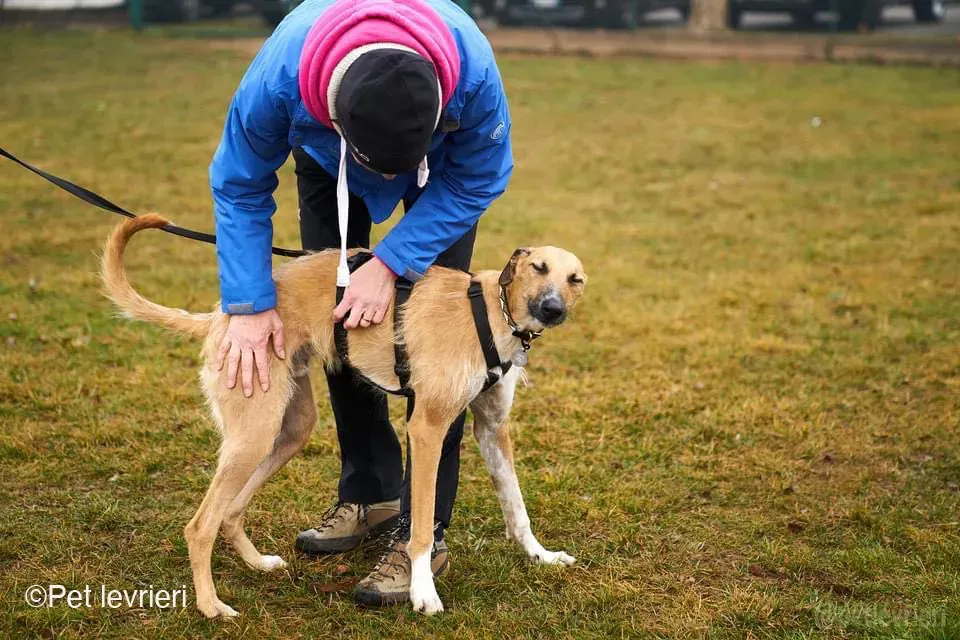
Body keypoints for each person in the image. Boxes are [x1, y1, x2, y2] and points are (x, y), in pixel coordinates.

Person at [208, 0, 513, 607]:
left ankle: (422, 537)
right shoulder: (280, 76)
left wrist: (393, 260)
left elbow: (480, 174)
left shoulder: (473, 72)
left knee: (444, 350)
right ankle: (370, 492)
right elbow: (240, 184)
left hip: (443, 176)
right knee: (338, 323)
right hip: (329, 163)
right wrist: (248, 302)